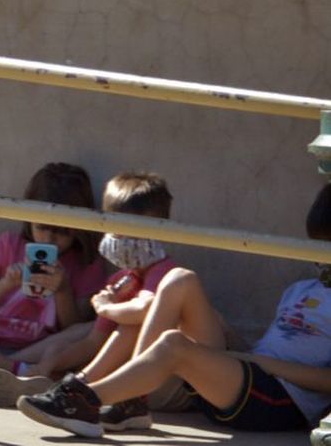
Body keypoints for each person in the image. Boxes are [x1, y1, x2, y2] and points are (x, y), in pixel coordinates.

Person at [18, 182, 331, 437]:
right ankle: (128, 402)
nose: (321, 258)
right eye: (317, 247)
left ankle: (89, 399)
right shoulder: (300, 289)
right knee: (181, 279)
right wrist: (229, 336)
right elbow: (262, 352)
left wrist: (263, 363)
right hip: (246, 377)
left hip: (280, 399)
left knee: (173, 344)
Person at [0, 171, 186, 407]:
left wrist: (100, 306)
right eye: (116, 233)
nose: (123, 243)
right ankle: (47, 381)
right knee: (67, 346)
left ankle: (69, 390)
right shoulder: (120, 279)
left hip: (166, 384)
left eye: (132, 235)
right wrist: (50, 363)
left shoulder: (167, 274)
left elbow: (142, 310)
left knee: (127, 323)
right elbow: (93, 342)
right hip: (123, 378)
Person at [0, 162, 106, 388]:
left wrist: (63, 290)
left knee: (92, 329)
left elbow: (73, 328)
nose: (48, 239)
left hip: (40, 348)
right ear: (29, 218)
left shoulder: (87, 263)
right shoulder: (9, 244)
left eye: (62, 232)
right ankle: (14, 370)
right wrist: (5, 284)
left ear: (79, 227)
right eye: (41, 227)